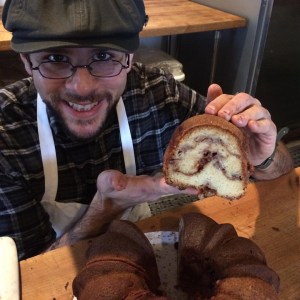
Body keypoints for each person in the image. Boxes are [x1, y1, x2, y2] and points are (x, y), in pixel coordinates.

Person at [0, 0, 293, 260]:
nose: (82, 87)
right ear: (26, 62)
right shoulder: (6, 136)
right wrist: (106, 208)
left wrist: (263, 157)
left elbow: (281, 189)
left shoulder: (158, 96)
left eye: (103, 57)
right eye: (55, 59)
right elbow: (24, 274)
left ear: (129, 59)